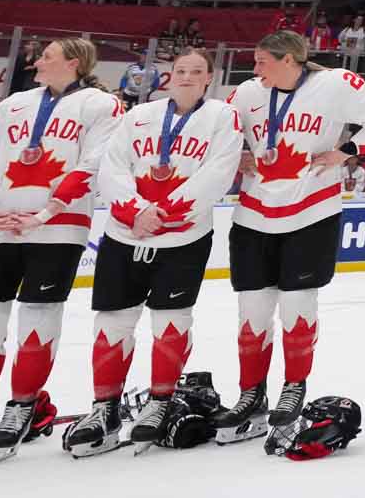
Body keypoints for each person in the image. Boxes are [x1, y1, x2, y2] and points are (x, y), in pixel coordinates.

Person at [0, 38, 120, 464]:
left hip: (57, 229)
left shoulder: (100, 104)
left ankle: (23, 406)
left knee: (39, 314)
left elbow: (92, 164)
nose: (37, 61)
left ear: (73, 63)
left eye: (47, 56)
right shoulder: (13, 104)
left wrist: (46, 213)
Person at [217, 31, 365, 450]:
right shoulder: (247, 93)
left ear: (288, 60)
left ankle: (293, 387)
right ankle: (251, 394)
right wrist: (234, 154)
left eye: (262, 61)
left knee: (297, 305)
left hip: (311, 211)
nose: (255, 68)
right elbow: (217, 134)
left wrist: (346, 150)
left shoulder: (334, 83)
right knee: (252, 310)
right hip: (253, 214)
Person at [69, 48, 241, 455]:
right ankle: (104, 409)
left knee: (171, 319)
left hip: (183, 238)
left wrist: (161, 213)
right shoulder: (139, 115)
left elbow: (218, 173)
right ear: (170, 75)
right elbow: (113, 166)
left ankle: (160, 402)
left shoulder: (222, 116)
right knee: (112, 321)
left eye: (196, 71)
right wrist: (136, 212)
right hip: (125, 233)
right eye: (180, 70)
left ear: (209, 78)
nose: (187, 76)